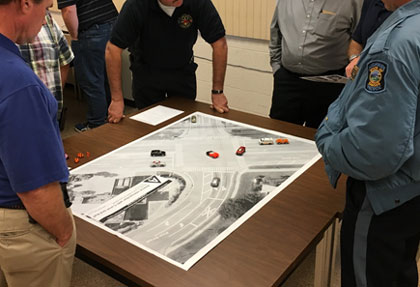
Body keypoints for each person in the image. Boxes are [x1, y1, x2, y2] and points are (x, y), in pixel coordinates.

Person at [315, 0, 420, 286]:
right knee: (400, 271)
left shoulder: (396, 43)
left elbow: (372, 151)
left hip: (382, 197)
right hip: (411, 188)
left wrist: (326, 140)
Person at [0, 0, 76, 286]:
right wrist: (64, 231)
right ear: (25, 4)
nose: (46, 18)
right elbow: (37, 190)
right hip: (21, 223)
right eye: (46, 7)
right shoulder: (19, 83)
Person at [105, 0, 229, 124]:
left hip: (182, 72)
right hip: (147, 72)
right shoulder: (136, 5)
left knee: (184, 124)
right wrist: (117, 99)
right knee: (147, 126)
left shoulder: (198, 2)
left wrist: (217, 92)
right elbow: (113, 50)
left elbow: (220, 44)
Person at [269, 0, 363, 128]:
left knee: (319, 138)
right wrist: (277, 69)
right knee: (279, 135)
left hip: (328, 86)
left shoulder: (353, 3)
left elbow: (359, 39)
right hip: (288, 82)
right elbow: (276, 31)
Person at [58, 0, 118, 132]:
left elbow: (69, 10)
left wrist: (74, 37)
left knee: (92, 80)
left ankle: (96, 123)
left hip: (91, 31)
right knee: (106, 75)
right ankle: (112, 115)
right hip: (112, 23)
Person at [18, 11, 74, 129]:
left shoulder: (47, 19)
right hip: (17, 119)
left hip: (49, 115)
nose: (44, 20)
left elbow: (65, 59)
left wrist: (52, 99)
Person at [345, 0, 392, 78]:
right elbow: (357, 40)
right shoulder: (370, 2)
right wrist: (355, 60)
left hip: (385, 76)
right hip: (361, 75)